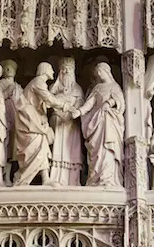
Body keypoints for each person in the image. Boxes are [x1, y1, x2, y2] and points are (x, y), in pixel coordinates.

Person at [74, 63, 125, 188]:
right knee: (97, 153)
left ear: (106, 71)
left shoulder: (114, 86)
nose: (98, 75)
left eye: (99, 72)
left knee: (108, 150)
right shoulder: (97, 88)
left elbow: (121, 102)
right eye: (97, 73)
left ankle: (109, 179)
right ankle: (95, 179)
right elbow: (89, 104)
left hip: (110, 122)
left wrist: (110, 102)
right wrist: (79, 111)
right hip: (97, 123)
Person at [13, 63, 61, 186]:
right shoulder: (38, 82)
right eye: (51, 69)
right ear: (45, 70)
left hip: (35, 120)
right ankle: (21, 179)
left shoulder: (39, 83)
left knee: (42, 147)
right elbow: (48, 98)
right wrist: (65, 105)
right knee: (34, 148)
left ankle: (46, 179)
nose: (53, 72)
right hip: (29, 121)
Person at [49, 58, 85, 186]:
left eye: (68, 70)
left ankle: (72, 179)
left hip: (71, 124)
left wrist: (73, 108)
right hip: (58, 121)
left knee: (70, 150)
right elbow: (48, 101)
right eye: (63, 70)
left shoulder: (77, 89)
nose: (65, 73)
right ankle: (55, 178)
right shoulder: (54, 88)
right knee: (57, 148)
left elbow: (81, 104)